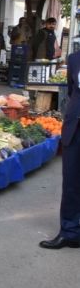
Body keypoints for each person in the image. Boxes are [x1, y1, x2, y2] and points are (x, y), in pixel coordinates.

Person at [39, 50, 80, 250]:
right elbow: (72, 92)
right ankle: (70, 232)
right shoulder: (75, 59)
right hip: (75, 129)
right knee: (71, 182)